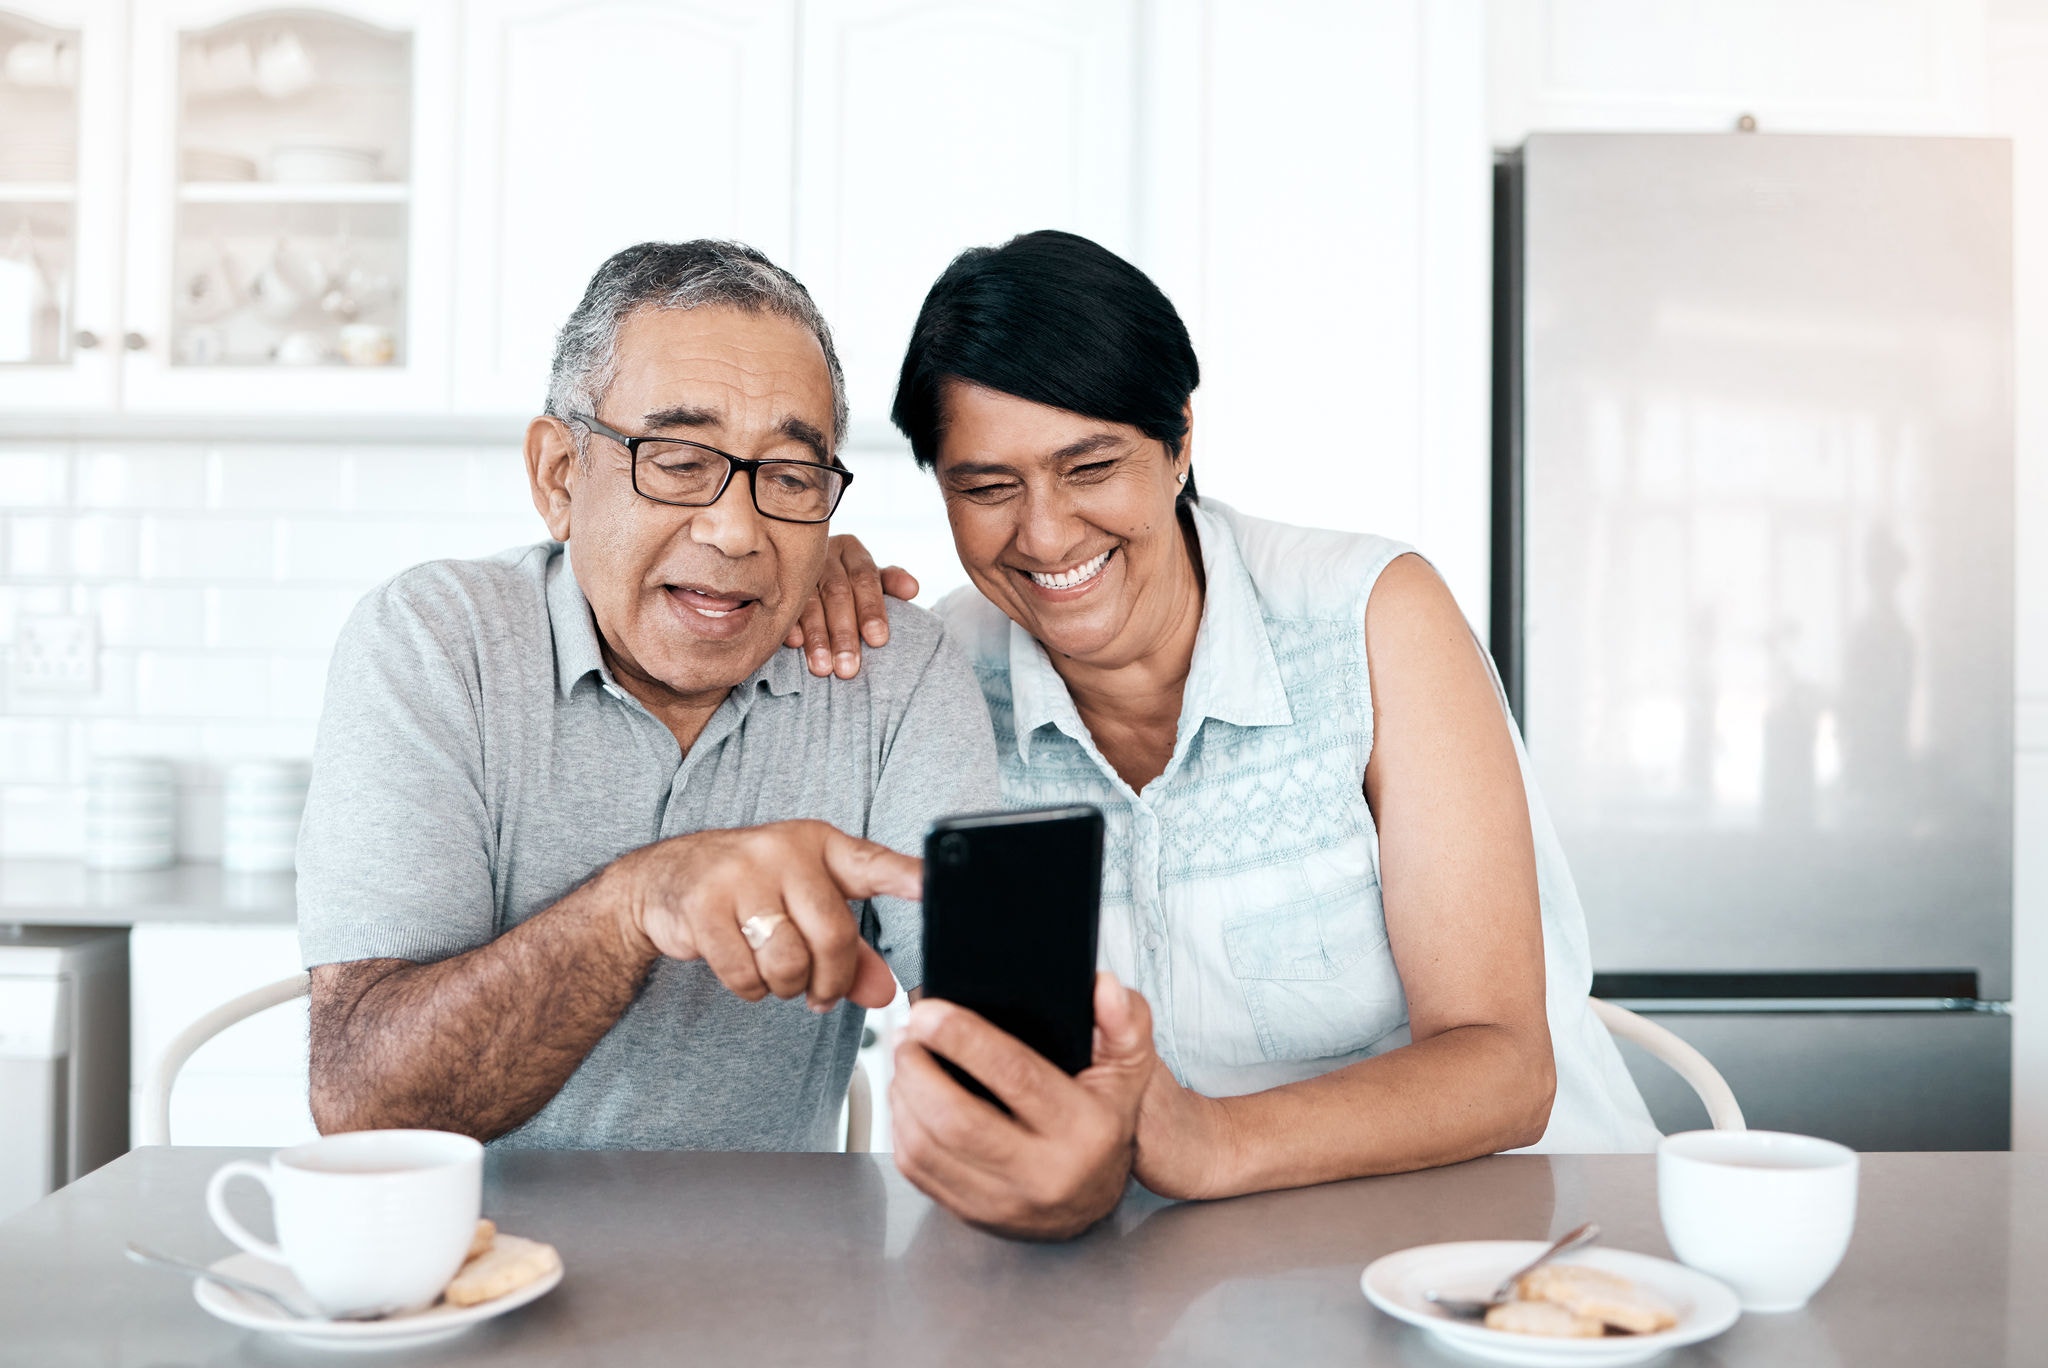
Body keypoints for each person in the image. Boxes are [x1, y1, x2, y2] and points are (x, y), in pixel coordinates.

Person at [793, 230, 1659, 1238]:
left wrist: (1202, 1142)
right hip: (1185, 1273)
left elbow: (1505, 1068)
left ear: (1178, 443)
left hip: (1512, 1245)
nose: (1044, 532)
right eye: (986, 488)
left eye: (1091, 465)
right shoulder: (932, 683)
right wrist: (788, 582)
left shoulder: (1371, 617)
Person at [298, 240, 999, 1150]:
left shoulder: (888, 666)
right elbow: (362, 1103)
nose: (738, 530)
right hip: (467, 1273)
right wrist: (637, 904)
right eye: (677, 460)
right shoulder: (438, 643)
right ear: (560, 476)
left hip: (770, 1274)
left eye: (788, 478)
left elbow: (995, 1018)